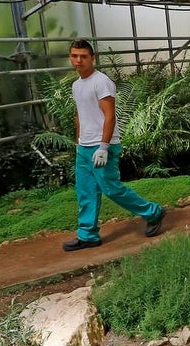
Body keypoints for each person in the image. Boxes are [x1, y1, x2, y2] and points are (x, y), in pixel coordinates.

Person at [61, 39, 165, 251]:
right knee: (85, 191)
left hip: (102, 146)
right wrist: (78, 143)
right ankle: (88, 235)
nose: (78, 60)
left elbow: (109, 116)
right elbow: (79, 116)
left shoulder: (101, 82)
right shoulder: (76, 85)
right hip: (84, 147)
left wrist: (103, 147)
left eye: (83, 56)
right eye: (74, 56)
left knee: (111, 188)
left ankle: (153, 212)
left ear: (92, 58)